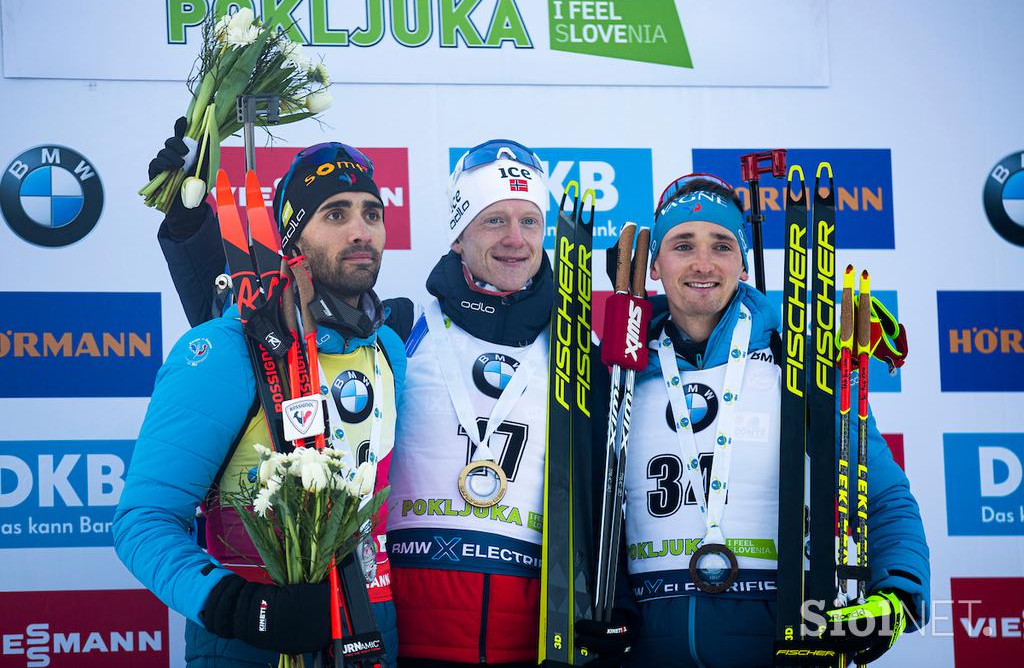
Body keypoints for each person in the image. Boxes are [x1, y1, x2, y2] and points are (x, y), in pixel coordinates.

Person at [113, 143, 408, 667]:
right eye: (335, 213)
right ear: (291, 240)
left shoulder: (387, 350)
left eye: (372, 213)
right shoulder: (224, 352)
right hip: (250, 644)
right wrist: (240, 607)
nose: (361, 230)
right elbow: (144, 520)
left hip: (370, 635)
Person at [620, 175, 931, 667]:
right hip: (650, 649)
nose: (703, 264)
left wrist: (896, 596)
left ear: (742, 262)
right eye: (683, 245)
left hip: (783, 642)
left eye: (721, 245)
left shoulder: (799, 361)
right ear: (656, 263)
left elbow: (882, 494)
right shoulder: (620, 372)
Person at [385, 139, 632, 667]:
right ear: (459, 234)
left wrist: (617, 605)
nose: (516, 240)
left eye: (530, 221)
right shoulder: (401, 330)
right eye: (494, 220)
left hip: (533, 646)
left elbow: (606, 494)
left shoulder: (575, 352)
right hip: (403, 640)